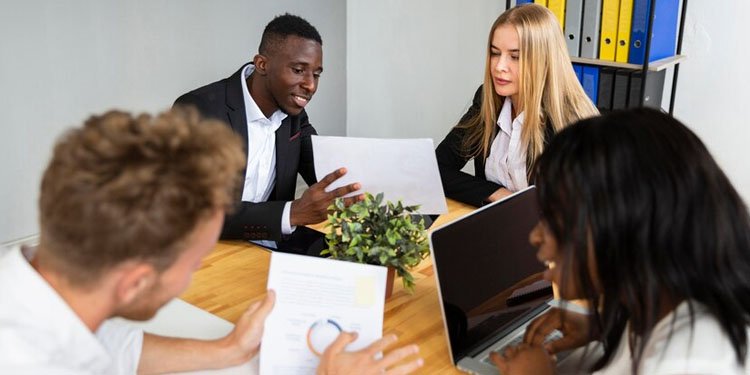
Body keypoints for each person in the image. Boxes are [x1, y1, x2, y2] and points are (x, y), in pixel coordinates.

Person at [0, 109, 423, 374]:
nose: (197, 269)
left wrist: (229, 348)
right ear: (134, 283)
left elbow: (112, 348)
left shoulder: (46, 285)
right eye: (197, 259)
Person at [492, 108, 750, 374]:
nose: (535, 235)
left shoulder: (690, 365)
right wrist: (605, 329)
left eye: (556, 218)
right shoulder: (657, 306)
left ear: (625, 227)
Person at [174, 13, 360, 241]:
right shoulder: (199, 110)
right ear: (262, 64)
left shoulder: (294, 115)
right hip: (205, 252)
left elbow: (325, 174)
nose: (310, 85)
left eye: (316, 74)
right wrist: (291, 213)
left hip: (263, 249)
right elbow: (197, 212)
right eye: (299, 70)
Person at [436, 4, 598, 207]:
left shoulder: (572, 123)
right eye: (495, 53)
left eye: (515, 57)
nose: (499, 67)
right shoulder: (489, 99)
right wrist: (497, 193)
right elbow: (436, 168)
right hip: (499, 227)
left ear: (543, 60)